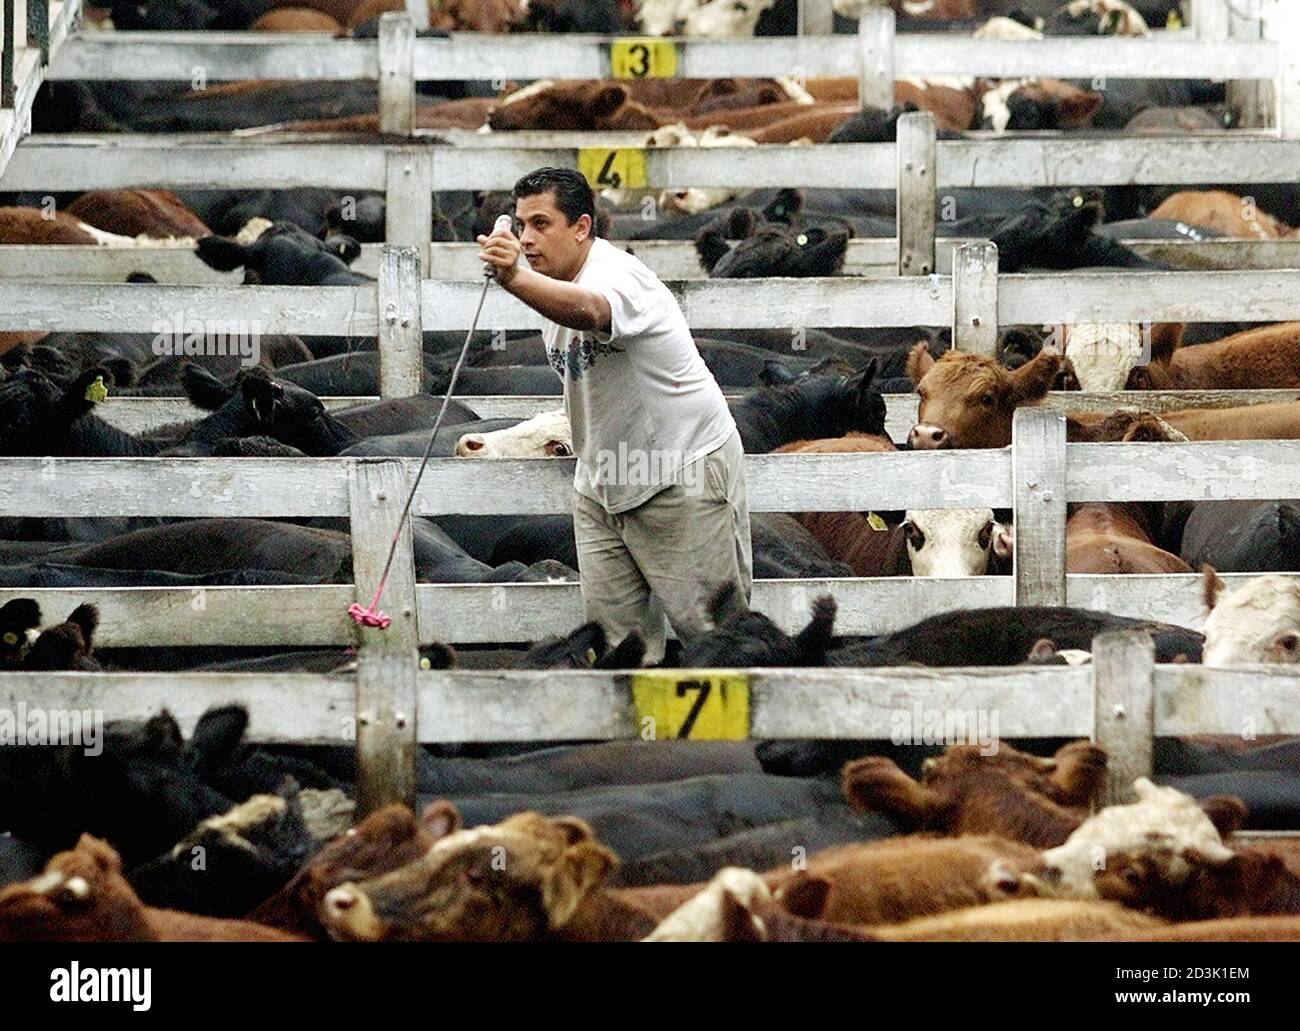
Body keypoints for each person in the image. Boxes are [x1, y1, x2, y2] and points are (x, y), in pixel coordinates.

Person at [477, 167, 751, 664]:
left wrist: (515, 277)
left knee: (717, 638)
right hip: (602, 481)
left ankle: (740, 740)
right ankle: (634, 741)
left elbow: (592, 313)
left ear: (581, 227)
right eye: (520, 226)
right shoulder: (549, 280)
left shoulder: (617, 275)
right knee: (614, 648)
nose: (527, 239)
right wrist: (524, 277)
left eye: (542, 224)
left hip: (677, 473)